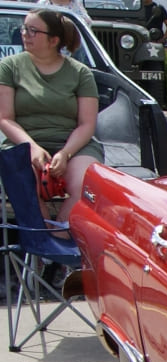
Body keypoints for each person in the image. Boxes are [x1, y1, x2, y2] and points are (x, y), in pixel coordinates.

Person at [0, 8, 103, 222]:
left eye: (32, 30)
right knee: (24, 184)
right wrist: (32, 148)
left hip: (74, 145)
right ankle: (43, 243)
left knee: (86, 186)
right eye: (24, 29)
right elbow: (5, 118)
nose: (24, 34)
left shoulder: (80, 73)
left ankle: (61, 243)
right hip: (23, 142)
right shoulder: (9, 67)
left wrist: (65, 154)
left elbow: (86, 124)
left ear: (53, 40)